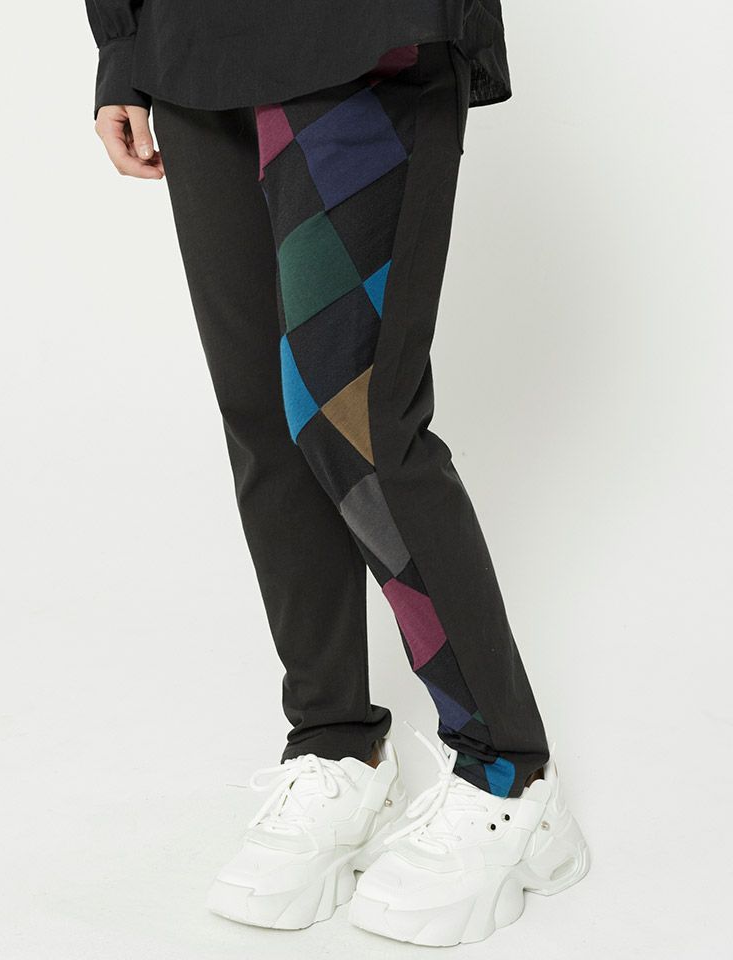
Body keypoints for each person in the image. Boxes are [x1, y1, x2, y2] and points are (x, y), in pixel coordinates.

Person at [84, 0, 589, 945]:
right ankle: (335, 748)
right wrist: (121, 44)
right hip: (190, 47)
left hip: (359, 35)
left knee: (352, 423)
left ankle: (509, 777)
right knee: (265, 422)